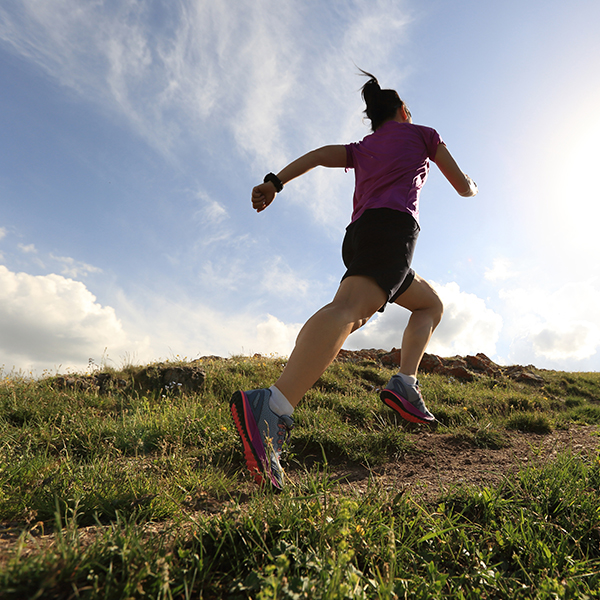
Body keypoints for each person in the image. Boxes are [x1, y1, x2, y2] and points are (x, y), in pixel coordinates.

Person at [230, 71, 478, 490]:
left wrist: (275, 182)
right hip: (392, 232)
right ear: (403, 111)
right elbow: (462, 186)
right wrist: (473, 186)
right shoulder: (423, 134)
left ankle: (405, 385)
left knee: (429, 305)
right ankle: (271, 406)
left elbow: (318, 155)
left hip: (364, 235)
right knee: (349, 311)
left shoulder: (362, 148)